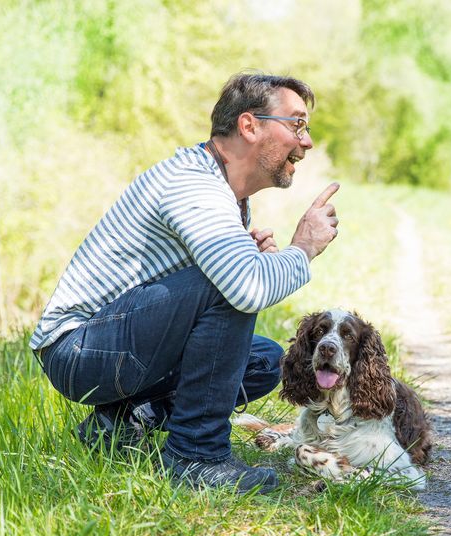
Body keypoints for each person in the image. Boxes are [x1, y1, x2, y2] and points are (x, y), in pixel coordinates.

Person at [30, 73, 339, 494]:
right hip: (78, 350)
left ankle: (122, 423)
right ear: (249, 126)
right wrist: (301, 248)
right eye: (296, 124)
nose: (306, 142)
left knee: (266, 360)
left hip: (117, 344)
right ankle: (197, 457)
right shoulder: (194, 183)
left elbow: (225, 283)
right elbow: (243, 288)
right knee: (226, 285)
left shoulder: (226, 195)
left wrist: (252, 259)